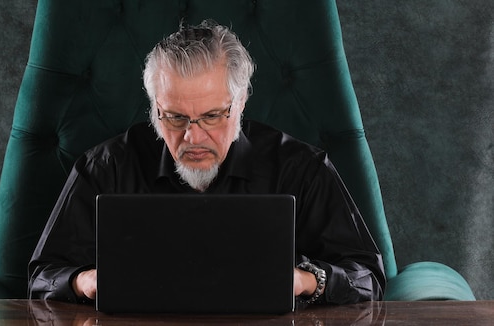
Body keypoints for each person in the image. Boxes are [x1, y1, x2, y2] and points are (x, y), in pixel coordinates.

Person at [28, 20, 386, 305]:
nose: (193, 138)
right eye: (174, 117)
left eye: (212, 116)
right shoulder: (105, 167)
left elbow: (367, 277)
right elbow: (43, 275)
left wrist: (304, 281)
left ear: (240, 102)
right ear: (154, 108)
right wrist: (83, 281)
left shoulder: (302, 169)